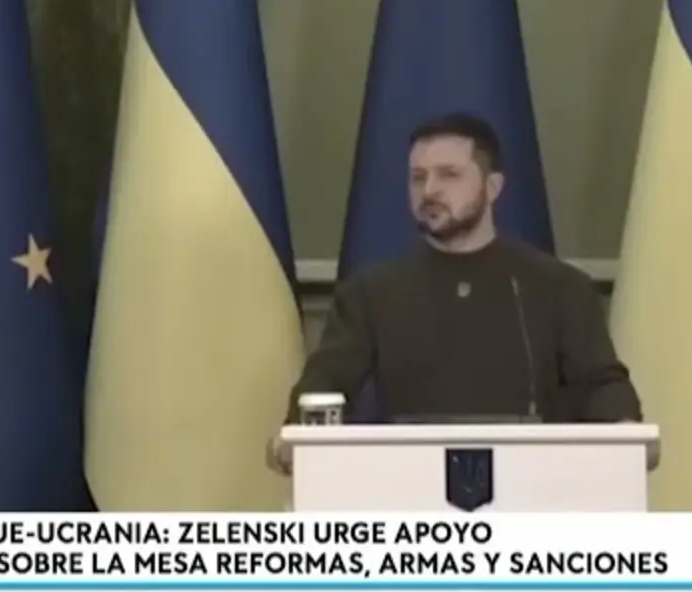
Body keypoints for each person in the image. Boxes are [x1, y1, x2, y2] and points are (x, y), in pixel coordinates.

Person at [267, 113, 641, 473]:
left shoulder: (560, 287)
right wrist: (296, 433)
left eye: (449, 175)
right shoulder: (371, 292)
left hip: (538, 488)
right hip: (407, 486)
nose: (429, 190)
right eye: (418, 177)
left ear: (492, 188)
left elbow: (602, 385)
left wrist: (625, 430)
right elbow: (327, 381)